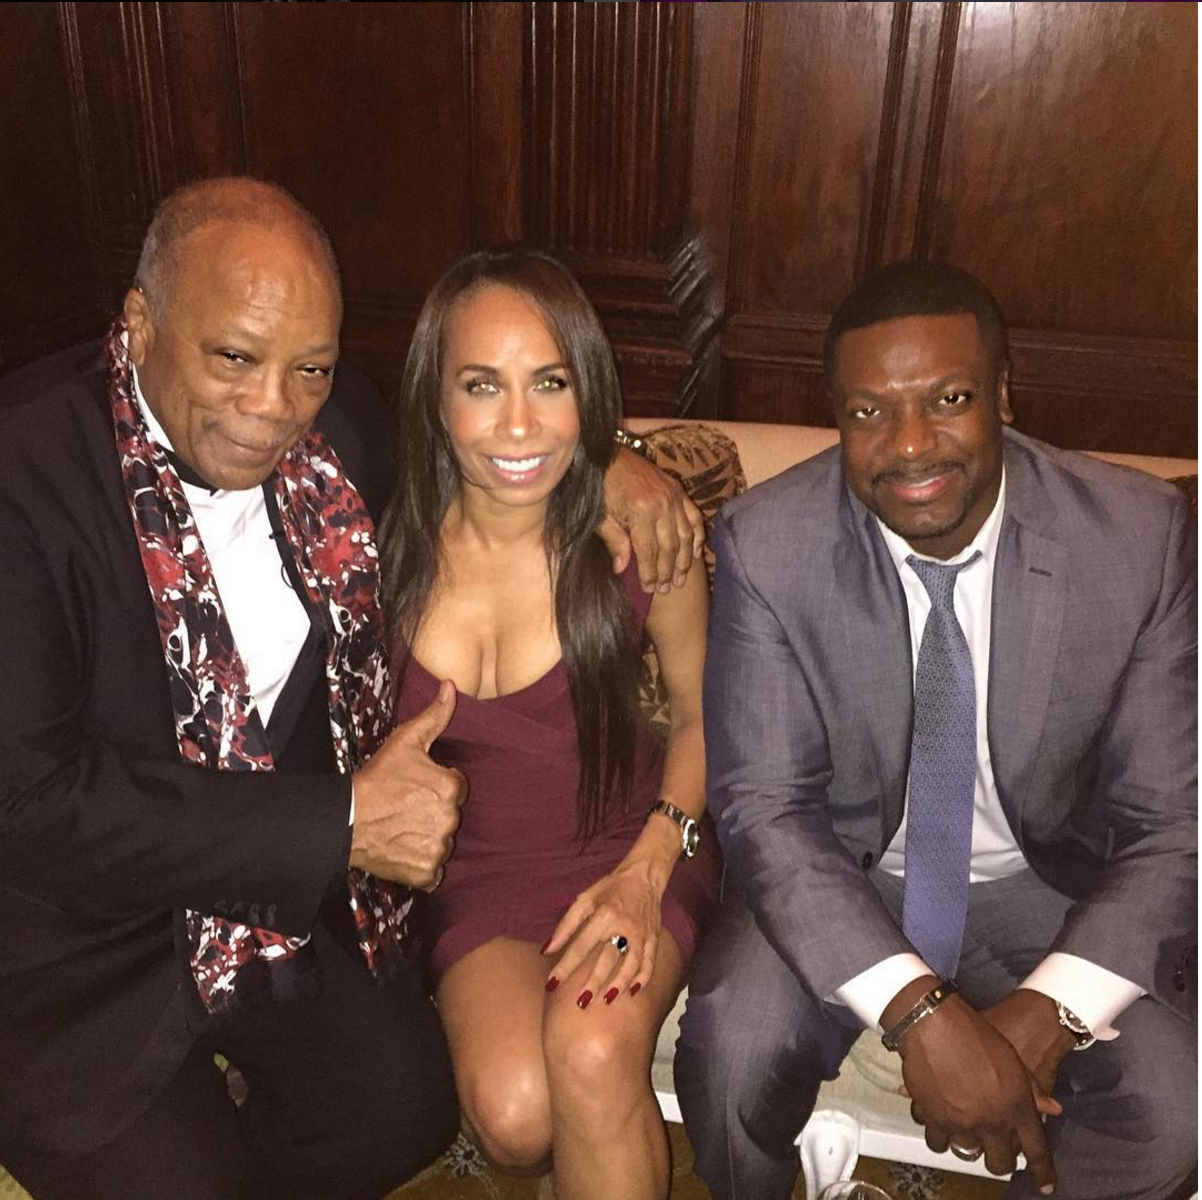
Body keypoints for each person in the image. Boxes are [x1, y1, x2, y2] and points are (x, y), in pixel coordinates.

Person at [0, 178, 704, 1200]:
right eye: (233, 358)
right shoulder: (21, 479)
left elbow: (499, 440)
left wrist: (618, 461)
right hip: (82, 954)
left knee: (404, 1112)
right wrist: (340, 821)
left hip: (273, 911)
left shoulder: (343, 438)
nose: (271, 409)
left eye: (309, 368)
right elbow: (27, 805)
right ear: (141, 322)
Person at [675, 261, 1197, 1200]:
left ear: (1002, 394)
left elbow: (1173, 822)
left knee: (1175, 1104)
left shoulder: (1138, 535)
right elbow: (765, 807)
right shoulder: (769, 543)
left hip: (1041, 884)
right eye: (869, 412)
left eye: (948, 399)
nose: (910, 445)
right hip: (843, 871)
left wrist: (1053, 1009)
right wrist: (919, 1011)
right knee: (731, 1047)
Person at [381, 248, 721, 1200]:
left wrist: (646, 873)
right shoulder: (375, 544)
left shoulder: (641, 543)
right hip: (479, 874)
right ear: (435, 398)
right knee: (515, 1117)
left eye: (550, 382)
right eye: (481, 385)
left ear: (587, 391)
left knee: (591, 1048)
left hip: (639, 841)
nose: (520, 424)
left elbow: (704, 718)